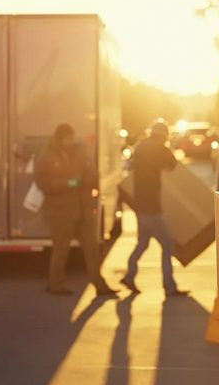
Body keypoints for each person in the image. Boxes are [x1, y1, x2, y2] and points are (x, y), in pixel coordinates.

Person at [35, 123, 118, 297]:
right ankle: (55, 285)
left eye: (72, 138)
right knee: (61, 251)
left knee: (92, 250)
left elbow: (91, 172)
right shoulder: (46, 156)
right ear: (59, 139)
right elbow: (43, 183)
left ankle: (100, 285)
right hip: (60, 212)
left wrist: (88, 179)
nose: (70, 141)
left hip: (83, 209)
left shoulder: (81, 150)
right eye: (67, 139)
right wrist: (68, 183)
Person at [121, 120, 189, 297]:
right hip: (152, 206)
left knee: (142, 243)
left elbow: (130, 165)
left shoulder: (140, 147)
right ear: (163, 136)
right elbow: (173, 164)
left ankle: (129, 276)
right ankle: (169, 286)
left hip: (140, 204)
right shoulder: (160, 148)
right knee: (168, 245)